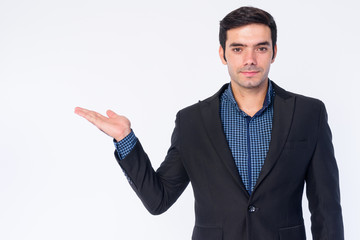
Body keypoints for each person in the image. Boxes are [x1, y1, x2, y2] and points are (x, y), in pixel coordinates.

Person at [75, 6, 344, 240]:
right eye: (238, 49)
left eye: (260, 48)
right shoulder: (192, 121)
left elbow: (326, 208)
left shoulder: (309, 113)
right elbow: (159, 199)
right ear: (222, 53)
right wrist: (125, 139)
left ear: (273, 52)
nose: (249, 59)